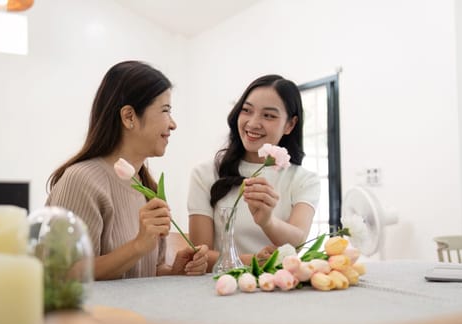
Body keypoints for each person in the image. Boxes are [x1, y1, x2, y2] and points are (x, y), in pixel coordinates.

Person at [46, 61, 208, 280]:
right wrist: (138, 246)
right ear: (129, 116)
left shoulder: (146, 187)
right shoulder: (81, 180)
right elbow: (64, 274)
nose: (173, 124)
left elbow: (148, 272)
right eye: (165, 111)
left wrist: (174, 272)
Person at [187, 74, 320, 271]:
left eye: (268, 115)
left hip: (280, 289)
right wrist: (252, 261)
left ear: (290, 125)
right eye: (247, 110)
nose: (253, 123)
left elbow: (298, 241)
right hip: (221, 289)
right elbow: (199, 256)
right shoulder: (205, 174)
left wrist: (268, 222)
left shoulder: (304, 180)